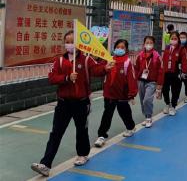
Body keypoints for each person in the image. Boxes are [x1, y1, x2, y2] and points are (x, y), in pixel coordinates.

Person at [31, 30, 107, 177]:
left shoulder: (86, 60)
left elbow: (97, 70)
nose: (70, 44)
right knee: (56, 133)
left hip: (81, 103)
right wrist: (66, 77)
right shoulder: (59, 61)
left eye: (73, 41)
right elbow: (52, 78)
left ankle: (83, 154)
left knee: (81, 130)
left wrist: (105, 67)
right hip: (63, 103)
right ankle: (46, 164)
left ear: (79, 43)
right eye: (67, 41)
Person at [94, 39, 138, 148]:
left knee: (125, 113)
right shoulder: (109, 60)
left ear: (126, 49)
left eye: (122, 47)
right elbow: (98, 71)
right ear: (114, 48)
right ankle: (102, 136)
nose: (119, 49)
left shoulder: (127, 62)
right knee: (107, 115)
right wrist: (104, 67)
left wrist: (132, 94)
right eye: (118, 47)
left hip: (122, 95)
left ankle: (130, 127)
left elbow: (132, 79)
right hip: (109, 94)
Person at [134, 36, 163, 128]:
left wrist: (159, 84)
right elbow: (136, 68)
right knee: (143, 100)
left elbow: (161, 71)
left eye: (150, 43)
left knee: (147, 99)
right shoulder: (140, 55)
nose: (148, 44)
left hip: (152, 82)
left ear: (153, 44)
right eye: (147, 42)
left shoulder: (157, 56)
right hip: (141, 81)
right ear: (144, 44)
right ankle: (146, 117)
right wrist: (136, 80)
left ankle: (149, 117)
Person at [161, 31, 187, 116]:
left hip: (176, 73)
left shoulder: (181, 49)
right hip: (166, 72)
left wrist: (183, 72)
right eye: (172, 38)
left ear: (178, 39)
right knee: (165, 89)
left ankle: (173, 106)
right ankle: (167, 104)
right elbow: (164, 60)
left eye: (175, 38)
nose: (173, 40)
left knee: (175, 90)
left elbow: (184, 61)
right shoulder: (167, 48)